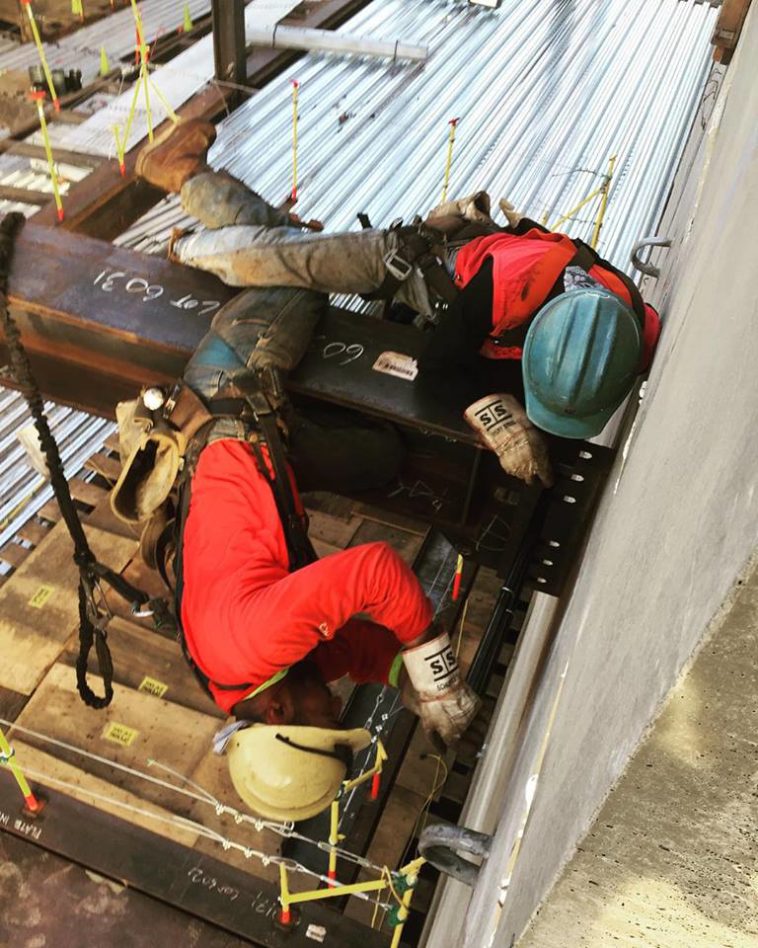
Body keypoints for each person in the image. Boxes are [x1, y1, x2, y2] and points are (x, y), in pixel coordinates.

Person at [110, 119, 480, 824]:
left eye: (327, 717)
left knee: (307, 282)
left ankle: (192, 219)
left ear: (278, 711)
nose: (337, 707)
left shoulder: (255, 647)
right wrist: (410, 678)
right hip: (263, 466)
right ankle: (194, 187)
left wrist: (437, 671)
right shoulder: (253, 679)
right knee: (380, 455)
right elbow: (354, 650)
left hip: (230, 389)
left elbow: (374, 572)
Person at [137, 119, 660, 491]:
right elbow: (437, 373)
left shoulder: (628, 322)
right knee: (287, 260)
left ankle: (190, 178)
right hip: (415, 262)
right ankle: (184, 217)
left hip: (474, 271)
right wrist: (503, 424)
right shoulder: (508, 288)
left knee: (288, 240)